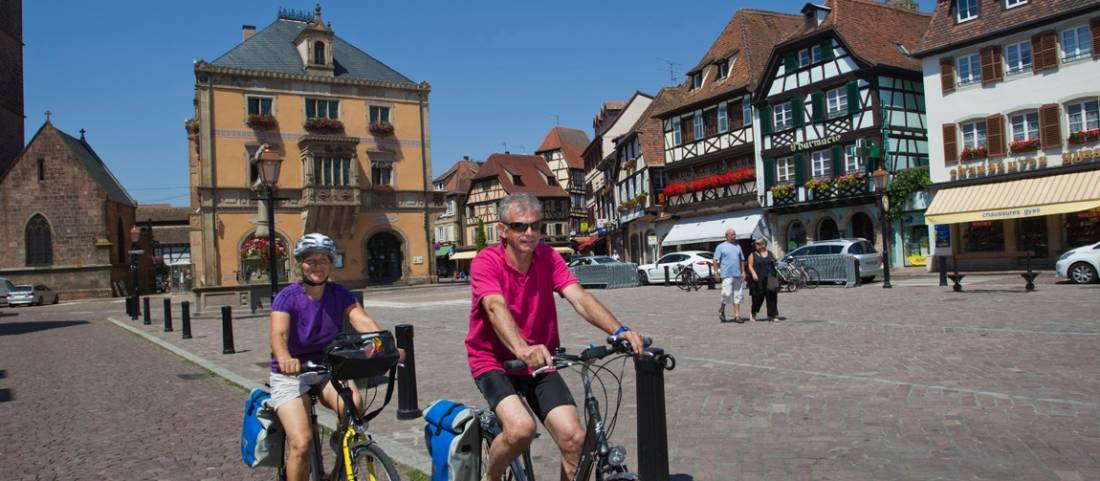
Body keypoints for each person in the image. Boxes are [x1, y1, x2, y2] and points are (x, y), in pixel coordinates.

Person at [467, 193, 647, 481]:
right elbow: (493, 305)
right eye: (519, 226)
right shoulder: (486, 262)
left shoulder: (549, 257)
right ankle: (491, 477)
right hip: (493, 361)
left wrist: (618, 330)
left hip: (540, 359)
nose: (529, 233)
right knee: (521, 428)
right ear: (502, 230)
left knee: (575, 439)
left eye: (536, 226)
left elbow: (579, 297)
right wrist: (521, 348)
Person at [269, 232, 391, 481]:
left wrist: (383, 344)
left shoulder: (339, 293)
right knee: (301, 443)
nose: (317, 266)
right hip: (292, 372)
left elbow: (361, 320)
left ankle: (341, 441)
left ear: (330, 263)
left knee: (354, 404)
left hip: (326, 368)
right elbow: (278, 335)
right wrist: (285, 358)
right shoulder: (287, 297)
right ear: (300, 264)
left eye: (323, 260)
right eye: (310, 261)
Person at [712, 228, 746, 323]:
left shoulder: (738, 246)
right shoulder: (720, 246)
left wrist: (743, 271)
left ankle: (737, 316)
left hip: (737, 274)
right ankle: (722, 308)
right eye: (732, 234)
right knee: (726, 294)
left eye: (735, 234)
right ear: (727, 235)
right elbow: (715, 260)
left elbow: (742, 260)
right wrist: (716, 272)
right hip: (726, 274)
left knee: (738, 295)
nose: (734, 236)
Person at [747, 238, 780, 322]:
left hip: (770, 277)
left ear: (763, 245)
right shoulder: (753, 254)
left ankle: (772, 315)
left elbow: (775, 261)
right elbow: (750, 265)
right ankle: (753, 312)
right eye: (756, 244)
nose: (756, 245)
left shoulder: (770, 253)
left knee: (772, 297)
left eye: (758, 243)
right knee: (758, 297)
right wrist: (753, 273)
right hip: (758, 279)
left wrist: (775, 262)